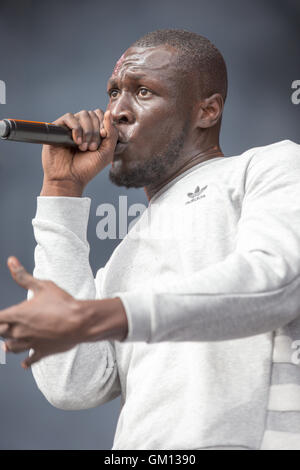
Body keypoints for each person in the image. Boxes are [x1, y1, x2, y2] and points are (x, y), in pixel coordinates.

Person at [0, 29, 300, 451]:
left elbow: (277, 281)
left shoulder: (269, 167)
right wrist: (61, 190)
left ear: (208, 111)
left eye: (142, 92)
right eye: (113, 93)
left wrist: (100, 316)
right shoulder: (125, 258)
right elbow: (72, 384)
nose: (116, 112)